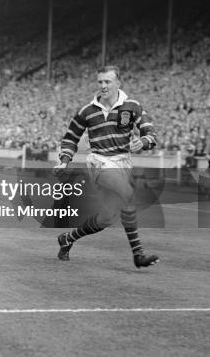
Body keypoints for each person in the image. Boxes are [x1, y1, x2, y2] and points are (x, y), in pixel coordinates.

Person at [53, 65, 160, 269]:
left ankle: (68, 238)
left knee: (106, 218)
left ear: (118, 83)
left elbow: (150, 133)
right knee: (127, 193)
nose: (103, 86)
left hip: (122, 163)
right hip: (99, 162)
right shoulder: (87, 111)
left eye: (107, 81)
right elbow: (70, 139)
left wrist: (143, 141)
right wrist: (65, 160)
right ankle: (138, 254)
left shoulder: (133, 106)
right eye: (100, 82)